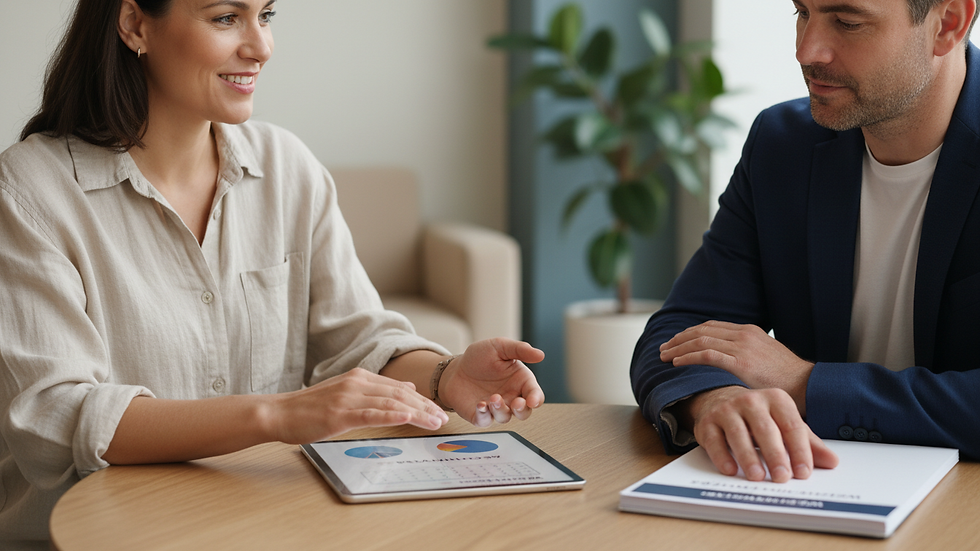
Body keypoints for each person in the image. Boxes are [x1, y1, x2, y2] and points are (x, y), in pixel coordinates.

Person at [0, 0, 545, 548]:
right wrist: (276, 415)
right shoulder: (31, 191)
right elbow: (56, 416)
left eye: (266, 15)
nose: (260, 47)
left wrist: (444, 376)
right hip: (89, 535)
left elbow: (360, 340)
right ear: (135, 23)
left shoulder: (289, 168)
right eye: (225, 17)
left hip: (264, 525)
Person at [631, 0, 980, 485]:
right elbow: (682, 329)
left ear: (948, 24)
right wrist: (714, 399)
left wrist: (804, 383)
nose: (806, 50)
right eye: (802, 12)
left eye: (847, 22)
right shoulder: (782, 145)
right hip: (802, 486)